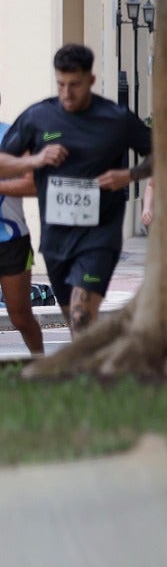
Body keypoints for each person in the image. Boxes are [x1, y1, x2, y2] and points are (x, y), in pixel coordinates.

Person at [0, 45, 153, 335]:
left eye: (75, 85)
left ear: (91, 81)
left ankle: (86, 376)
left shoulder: (116, 119)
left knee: (82, 315)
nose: (67, 93)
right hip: (56, 239)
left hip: (99, 236)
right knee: (74, 319)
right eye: (60, 84)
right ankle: (84, 371)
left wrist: (130, 174)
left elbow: (161, 152)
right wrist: (35, 159)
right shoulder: (38, 117)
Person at [0, 92, 44, 355]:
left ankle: (41, 365)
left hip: (12, 241)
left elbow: (34, 184)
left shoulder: (12, 138)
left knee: (19, 316)